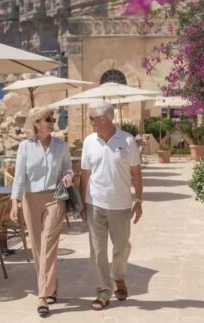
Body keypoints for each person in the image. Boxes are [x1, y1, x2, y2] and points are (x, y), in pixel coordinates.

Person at [10, 106, 74, 317]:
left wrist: (68, 176)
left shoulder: (61, 146)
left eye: (53, 118)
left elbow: (68, 168)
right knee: (37, 246)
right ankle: (52, 285)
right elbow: (19, 176)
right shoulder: (25, 147)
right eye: (48, 119)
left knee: (48, 243)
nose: (52, 122)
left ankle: (42, 295)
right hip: (31, 199)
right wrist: (15, 202)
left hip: (55, 198)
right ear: (37, 123)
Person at [80, 100, 143, 311]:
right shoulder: (89, 141)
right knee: (97, 252)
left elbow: (136, 173)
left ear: (104, 119)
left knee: (122, 247)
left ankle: (118, 275)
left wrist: (139, 200)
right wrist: (81, 204)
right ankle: (103, 291)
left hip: (121, 206)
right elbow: (85, 175)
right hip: (94, 204)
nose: (89, 122)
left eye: (91, 118)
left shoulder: (127, 140)